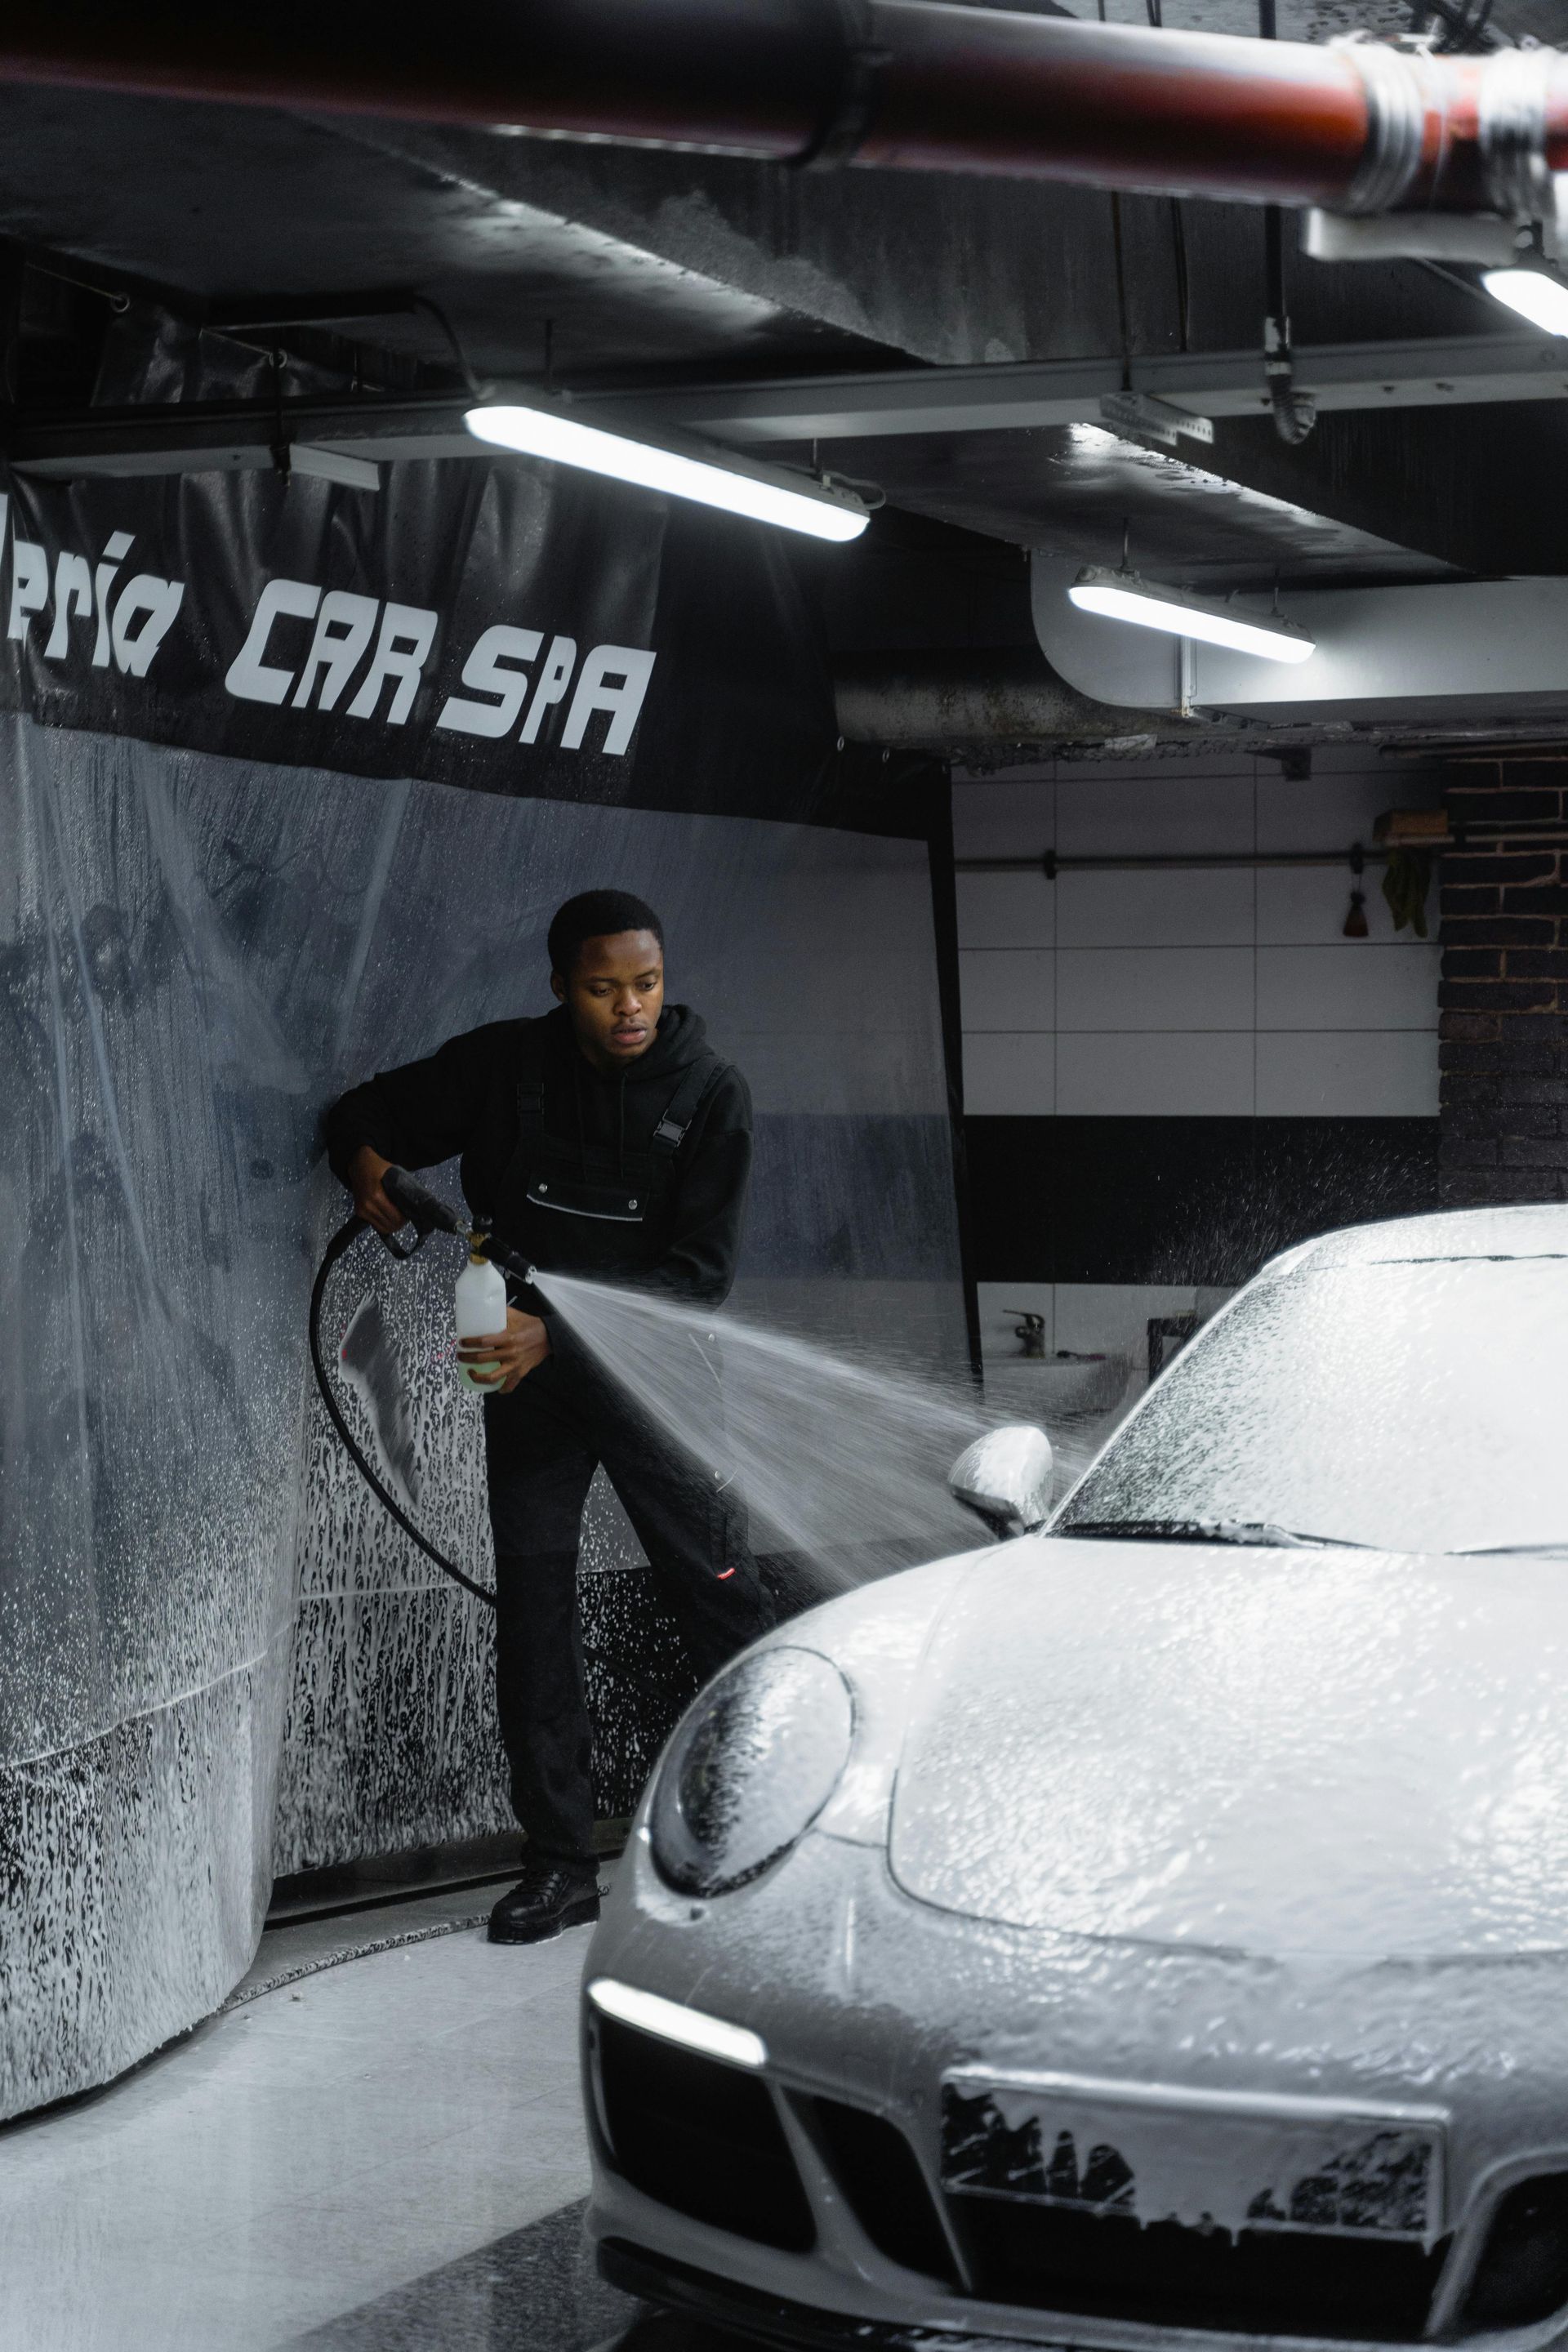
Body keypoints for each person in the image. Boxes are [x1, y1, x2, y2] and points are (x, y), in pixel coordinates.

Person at [324, 889, 773, 1944]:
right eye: (605, 987)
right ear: (560, 986)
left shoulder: (711, 1094)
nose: (631, 1007)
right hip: (528, 1394)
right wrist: (368, 1169)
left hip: (657, 1387)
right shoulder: (502, 1069)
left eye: (648, 984)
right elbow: (359, 1116)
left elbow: (699, 1278)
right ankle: (562, 1863)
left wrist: (550, 1337)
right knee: (534, 1615)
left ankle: (776, 1835)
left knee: (721, 1604)